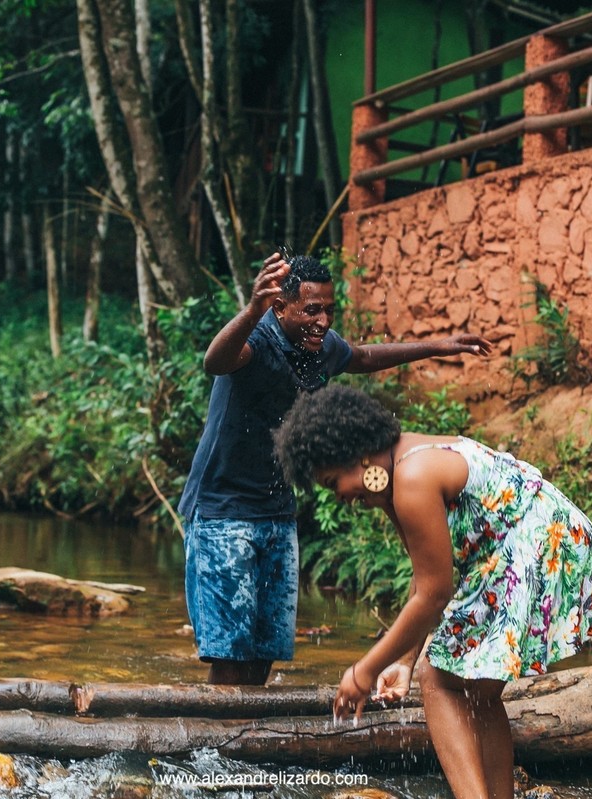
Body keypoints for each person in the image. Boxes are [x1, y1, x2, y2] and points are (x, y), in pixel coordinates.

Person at [272, 384, 592, 799]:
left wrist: (363, 672)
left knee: (437, 682)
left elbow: (435, 595)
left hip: (538, 545)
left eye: (333, 482)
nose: (341, 497)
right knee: (474, 688)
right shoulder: (398, 473)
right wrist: (402, 659)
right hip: (528, 548)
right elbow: (424, 576)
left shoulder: (413, 477)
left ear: (355, 452)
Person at [179, 250, 493, 686]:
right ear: (279, 307)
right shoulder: (257, 339)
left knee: (263, 656)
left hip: (277, 512)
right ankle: (214, 748)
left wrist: (438, 346)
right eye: (311, 310)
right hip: (222, 512)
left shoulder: (318, 347)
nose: (323, 321)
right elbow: (216, 361)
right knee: (229, 657)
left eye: (329, 310)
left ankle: (243, 749)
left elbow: (362, 357)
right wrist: (251, 309)